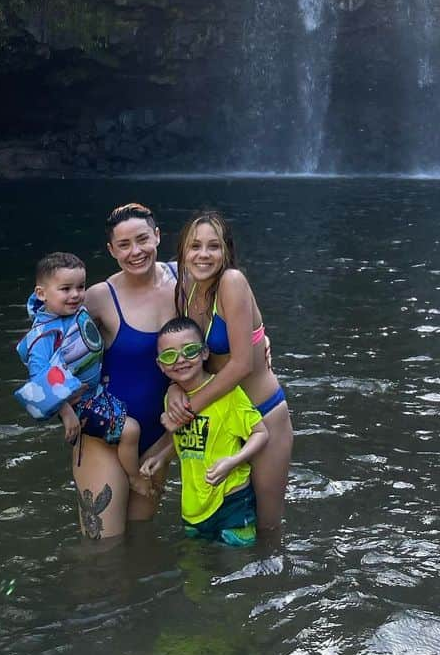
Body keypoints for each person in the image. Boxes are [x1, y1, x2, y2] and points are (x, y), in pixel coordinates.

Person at [164, 210, 293, 533]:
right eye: (195, 246)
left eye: (213, 246)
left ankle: (269, 583)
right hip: (221, 423)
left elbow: (241, 364)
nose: (203, 254)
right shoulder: (185, 289)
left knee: (267, 527)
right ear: (182, 252)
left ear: (227, 253)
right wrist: (174, 388)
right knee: (226, 521)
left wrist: (187, 409)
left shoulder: (232, 282)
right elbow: (189, 355)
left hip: (262, 418)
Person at [72, 202, 179, 541]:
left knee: (142, 537)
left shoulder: (186, 280)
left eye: (143, 239)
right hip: (105, 435)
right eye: (124, 245)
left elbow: (229, 317)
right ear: (111, 250)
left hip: (161, 435)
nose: (136, 252)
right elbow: (46, 346)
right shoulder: (99, 297)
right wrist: (64, 409)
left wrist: (260, 337)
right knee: (102, 548)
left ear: (158, 236)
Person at [14, 251, 149, 502]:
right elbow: (39, 382)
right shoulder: (43, 337)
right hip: (77, 403)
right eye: (65, 289)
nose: (75, 295)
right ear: (42, 293)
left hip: (94, 391)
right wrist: (66, 414)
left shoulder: (70, 314)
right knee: (131, 430)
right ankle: (134, 478)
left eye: (80, 287)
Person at [140, 316, 268, 546]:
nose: (180, 360)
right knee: (195, 570)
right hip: (194, 506)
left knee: (238, 570)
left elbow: (260, 433)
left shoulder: (227, 393)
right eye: (169, 356)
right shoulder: (172, 400)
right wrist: (161, 458)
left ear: (204, 353)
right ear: (160, 364)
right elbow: (189, 440)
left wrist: (233, 461)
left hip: (233, 500)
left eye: (189, 350)